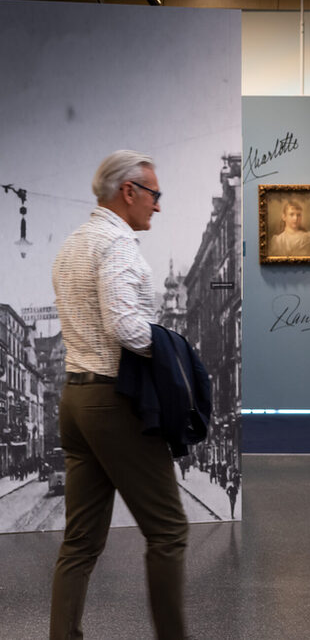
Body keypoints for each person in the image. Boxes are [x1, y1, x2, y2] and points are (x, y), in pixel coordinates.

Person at [50, 150, 189, 640]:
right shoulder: (118, 244)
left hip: (75, 401)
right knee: (169, 530)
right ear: (128, 191)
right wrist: (176, 350)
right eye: (154, 194)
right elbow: (126, 327)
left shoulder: (71, 246)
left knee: (80, 543)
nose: (157, 205)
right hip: (114, 401)